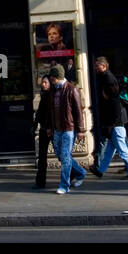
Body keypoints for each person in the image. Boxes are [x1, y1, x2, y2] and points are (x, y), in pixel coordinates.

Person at [91, 56, 128, 179]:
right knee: (109, 152)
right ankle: (100, 171)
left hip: (115, 124)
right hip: (113, 123)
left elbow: (115, 102)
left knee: (122, 150)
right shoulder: (104, 78)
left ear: (104, 66)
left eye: (97, 66)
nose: (95, 68)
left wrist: (112, 123)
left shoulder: (108, 80)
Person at [48, 64, 86, 194]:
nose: (51, 79)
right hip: (57, 129)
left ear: (58, 76)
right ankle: (80, 172)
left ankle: (64, 185)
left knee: (65, 156)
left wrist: (81, 130)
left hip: (69, 129)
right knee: (61, 155)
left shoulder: (71, 89)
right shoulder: (53, 90)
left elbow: (78, 111)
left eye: (53, 77)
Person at [33, 74, 54, 189]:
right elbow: (40, 112)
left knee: (61, 155)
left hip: (52, 130)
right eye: (42, 82)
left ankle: (75, 172)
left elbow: (52, 114)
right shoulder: (44, 95)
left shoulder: (52, 96)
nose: (43, 84)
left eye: (46, 82)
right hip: (43, 129)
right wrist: (35, 124)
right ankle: (40, 181)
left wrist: (50, 127)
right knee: (42, 157)